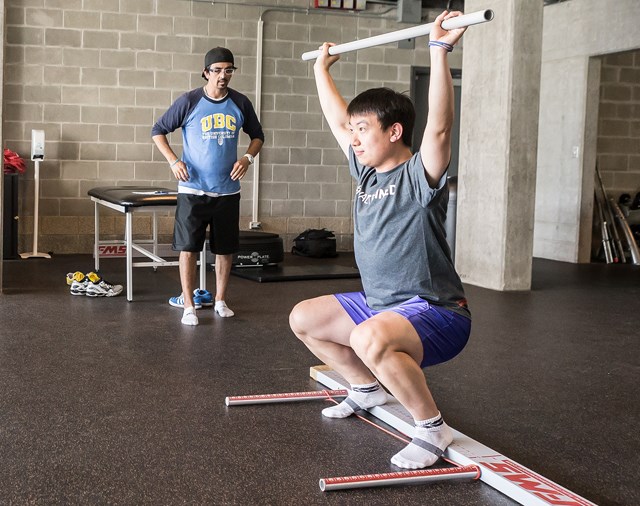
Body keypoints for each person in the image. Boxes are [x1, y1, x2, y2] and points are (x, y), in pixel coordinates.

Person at [289, 11, 470, 469]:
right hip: (382, 304)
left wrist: (440, 49)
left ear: (394, 132)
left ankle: (432, 430)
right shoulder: (366, 173)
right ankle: (366, 388)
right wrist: (319, 71)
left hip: (436, 311)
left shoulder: (419, 174)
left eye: (363, 130)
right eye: (353, 131)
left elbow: (441, 128)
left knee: (370, 336)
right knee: (304, 317)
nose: (352, 139)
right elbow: (337, 121)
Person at [152, 47, 264, 326]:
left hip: (227, 190)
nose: (223, 75)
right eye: (217, 70)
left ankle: (221, 300)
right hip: (193, 189)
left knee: (225, 249)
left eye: (228, 70)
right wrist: (174, 161)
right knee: (188, 248)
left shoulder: (240, 102)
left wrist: (247, 158)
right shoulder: (189, 101)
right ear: (206, 72)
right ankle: (188, 305)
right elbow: (158, 131)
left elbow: (258, 136)